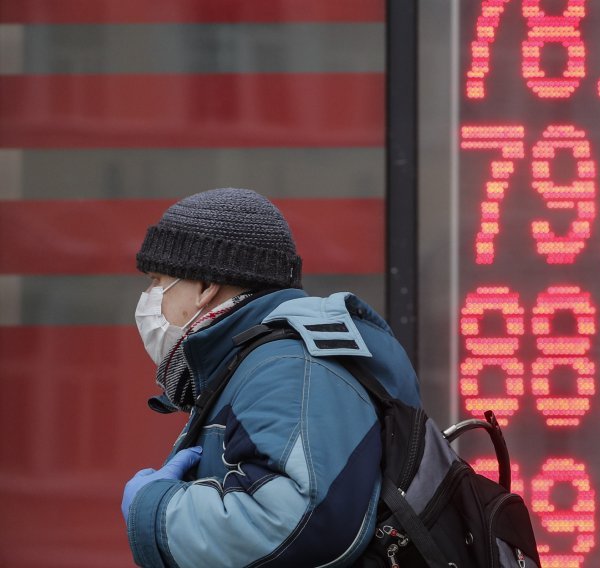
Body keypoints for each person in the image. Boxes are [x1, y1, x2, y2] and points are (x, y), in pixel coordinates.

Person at [121, 188, 422, 567]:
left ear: (204, 287)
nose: (148, 296)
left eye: (156, 280)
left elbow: (301, 523)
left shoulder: (290, 365)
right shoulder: (257, 362)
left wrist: (156, 509)